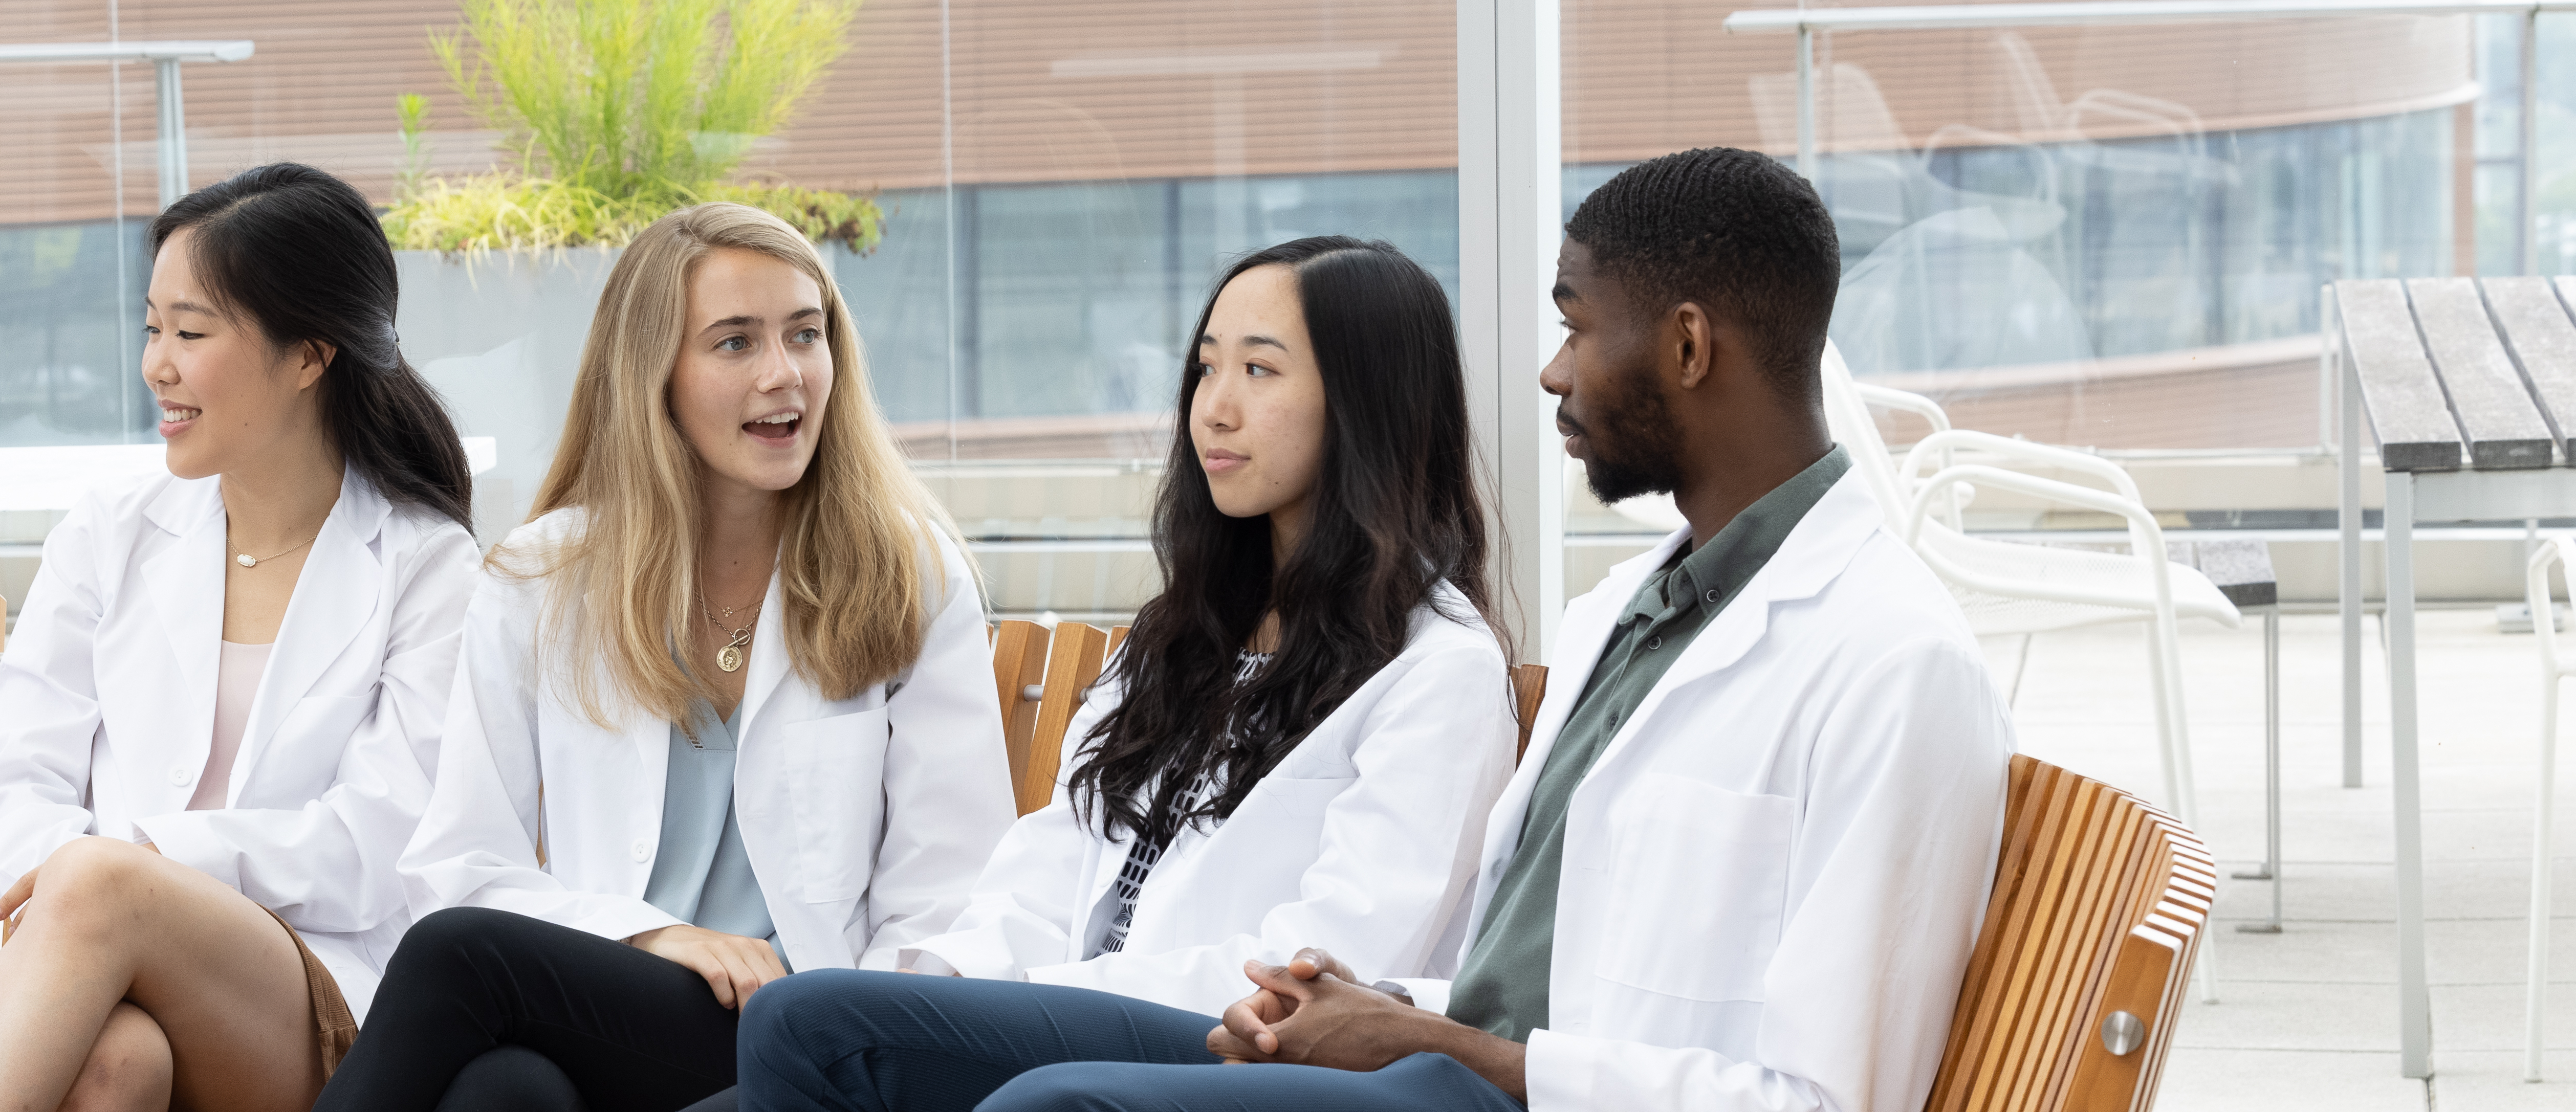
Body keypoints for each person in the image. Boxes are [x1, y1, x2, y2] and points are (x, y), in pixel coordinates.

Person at [801, 147, 2013, 1112]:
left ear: (1688, 346)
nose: (1549, 372)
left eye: (1578, 327)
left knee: (1045, 1102)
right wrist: (1385, 1013)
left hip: (1494, 1089)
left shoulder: (1892, 665)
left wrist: (1449, 1047)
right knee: (818, 1036)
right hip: (1443, 1060)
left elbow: (1827, 1098)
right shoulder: (1636, 618)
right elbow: (1524, 961)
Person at [733, 236, 1523, 1110]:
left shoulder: (1438, 668)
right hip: (1067, 1006)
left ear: (1369, 404)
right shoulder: (1181, 634)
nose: (1213, 409)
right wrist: (942, 984)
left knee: (800, 1021)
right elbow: (1047, 864)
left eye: (1260, 372)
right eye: (1205, 368)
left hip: (1222, 1037)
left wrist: (1026, 1001)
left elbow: (1335, 960)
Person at [314, 202, 1015, 1112]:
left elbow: (949, 895)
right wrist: (648, 938)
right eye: (735, 343)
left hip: (818, 1033)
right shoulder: (544, 576)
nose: (784, 375)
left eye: (806, 335)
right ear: (655, 377)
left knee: (459, 961)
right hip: (621, 1013)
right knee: (508, 1091)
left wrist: (857, 1041)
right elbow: (463, 867)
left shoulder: (908, 576)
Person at [0, 163, 484, 1112]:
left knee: (101, 881)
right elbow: (17, 785)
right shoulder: (112, 531)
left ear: (311, 354)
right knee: (114, 1069)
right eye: (152, 327)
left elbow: (379, 848)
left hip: (325, 1002)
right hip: (97, 965)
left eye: (191, 332)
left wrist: (140, 869)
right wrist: (98, 897)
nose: (156, 364)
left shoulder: (429, 569)